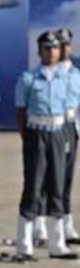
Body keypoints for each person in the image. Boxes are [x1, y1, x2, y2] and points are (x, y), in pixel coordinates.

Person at [15, 31, 77, 260]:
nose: (51, 52)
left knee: (58, 187)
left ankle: (58, 244)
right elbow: (21, 112)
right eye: (47, 48)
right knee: (33, 186)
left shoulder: (67, 79)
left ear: (60, 51)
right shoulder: (28, 78)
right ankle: (24, 244)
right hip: (36, 132)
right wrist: (28, 138)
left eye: (55, 48)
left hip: (58, 132)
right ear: (39, 51)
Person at [56, 28, 80, 244]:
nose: (64, 49)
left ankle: (67, 226)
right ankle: (40, 227)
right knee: (49, 179)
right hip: (53, 127)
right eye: (59, 44)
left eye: (66, 44)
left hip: (72, 127)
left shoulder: (76, 73)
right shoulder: (50, 73)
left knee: (66, 180)